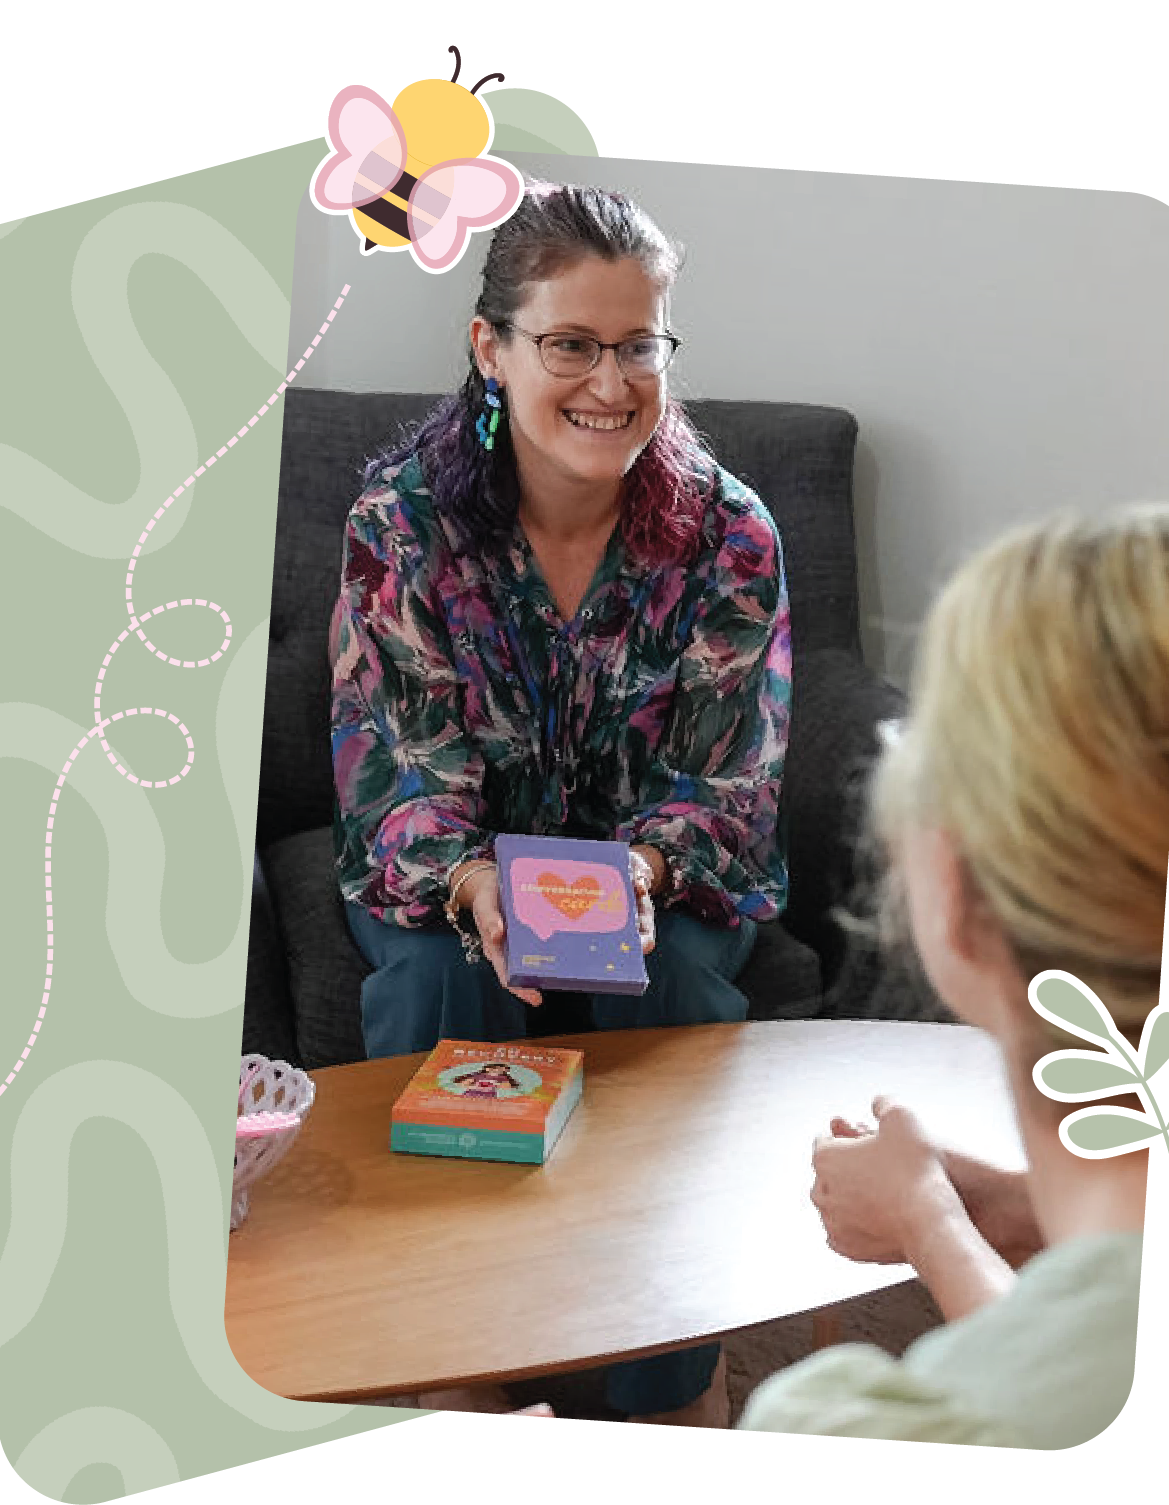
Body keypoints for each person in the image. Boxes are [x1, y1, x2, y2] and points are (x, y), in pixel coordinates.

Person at [329, 181, 791, 1427]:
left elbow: (728, 779)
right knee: (438, 993)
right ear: (490, 348)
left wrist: (630, 881)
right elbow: (400, 766)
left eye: (637, 343)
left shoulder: (729, 535)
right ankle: (464, 1364)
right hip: (449, 867)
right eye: (570, 343)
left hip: (661, 874)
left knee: (679, 997)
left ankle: (666, 1381)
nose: (609, 379)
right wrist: (479, 885)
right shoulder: (402, 521)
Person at [733, 503, 1169, 1469]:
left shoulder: (880, 1445)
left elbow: (1085, 1400)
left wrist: (930, 1220)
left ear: (952, 893)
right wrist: (1016, 1206)